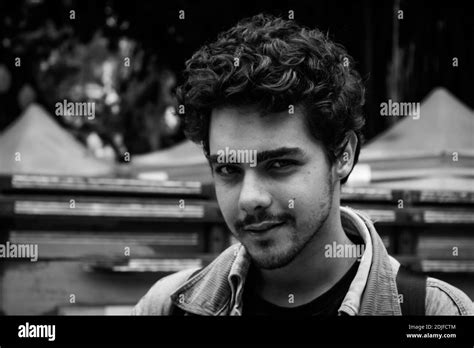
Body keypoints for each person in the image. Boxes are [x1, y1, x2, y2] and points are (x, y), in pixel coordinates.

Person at [132, 14, 473, 316]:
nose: (250, 199)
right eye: (228, 170)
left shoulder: (434, 314)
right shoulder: (167, 306)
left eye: (279, 164)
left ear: (343, 155)